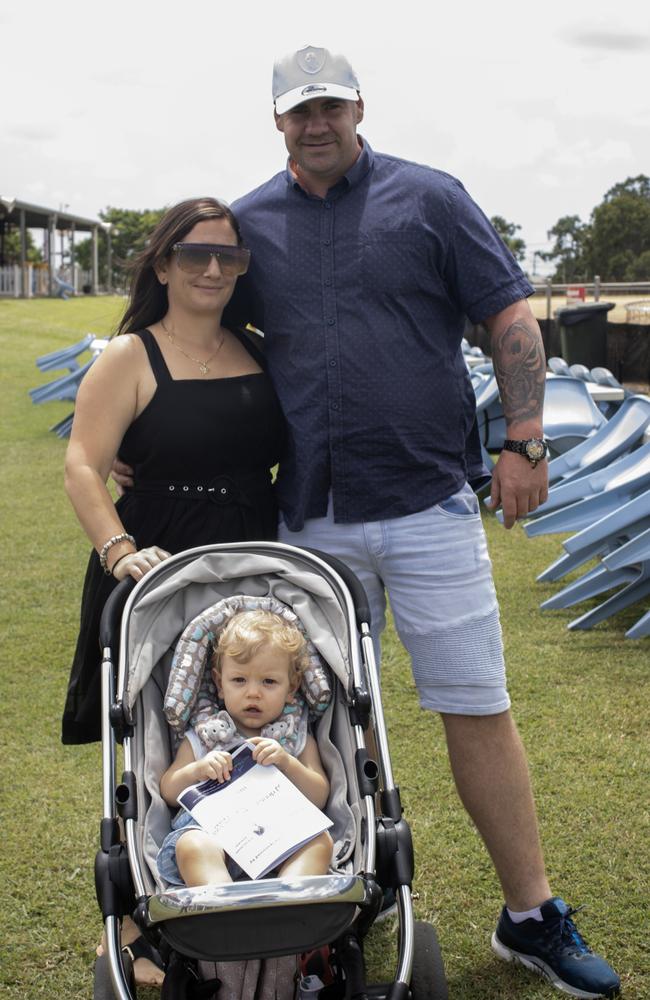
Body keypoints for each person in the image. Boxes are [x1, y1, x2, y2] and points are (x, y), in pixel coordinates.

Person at [114, 48, 619, 1000]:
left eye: (330, 106)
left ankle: (531, 917)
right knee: (333, 718)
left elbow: (508, 313)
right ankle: (342, 887)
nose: (316, 123)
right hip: (311, 521)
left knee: (476, 706)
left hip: (429, 501)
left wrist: (523, 439)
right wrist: (138, 433)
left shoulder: (432, 199)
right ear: (277, 122)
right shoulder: (251, 221)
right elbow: (200, 329)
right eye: (298, 111)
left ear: (358, 106)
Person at [63, 197, 285, 985]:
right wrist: (118, 548)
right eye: (195, 255)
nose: (214, 269)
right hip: (156, 565)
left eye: (229, 257)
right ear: (163, 264)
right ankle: (131, 912)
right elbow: (85, 463)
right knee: (160, 731)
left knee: (258, 715)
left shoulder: (261, 350)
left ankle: (260, 874)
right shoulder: (130, 354)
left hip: (254, 557)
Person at [157, 609, 333, 886]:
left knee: (319, 841)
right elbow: (168, 789)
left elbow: (319, 796)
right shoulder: (206, 735)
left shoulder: (294, 734)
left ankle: (288, 901)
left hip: (279, 837)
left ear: (292, 687)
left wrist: (288, 763)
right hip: (215, 835)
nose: (253, 692)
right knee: (192, 844)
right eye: (239, 680)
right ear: (219, 683)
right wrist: (198, 770)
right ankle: (222, 903)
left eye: (269, 681)